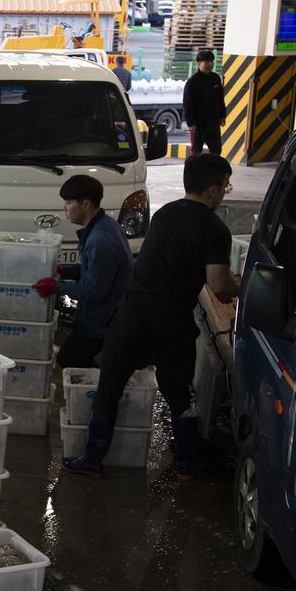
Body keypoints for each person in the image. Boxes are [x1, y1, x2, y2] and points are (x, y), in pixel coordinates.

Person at [62, 153, 241, 481]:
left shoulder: (164, 214)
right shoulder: (216, 229)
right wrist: (240, 286)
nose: (224, 193)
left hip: (130, 316)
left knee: (110, 387)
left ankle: (91, 458)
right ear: (214, 190)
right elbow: (218, 283)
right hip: (171, 321)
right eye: (225, 187)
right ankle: (188, 463)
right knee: (179, 395)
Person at [32, 175, 133, 370]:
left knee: (69, 360)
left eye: (69, 203)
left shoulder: (101, 241)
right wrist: (67, 271)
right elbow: (97, 271)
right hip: (104, 314)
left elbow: (94, 290)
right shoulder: (104, 225)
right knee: (80, 362)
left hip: (105, 319)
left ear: (85, 204)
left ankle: (93, 396)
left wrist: (55, 287)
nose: (64, 209)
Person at [183, 49, 226, 156]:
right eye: (206, 62)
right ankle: (195, 172)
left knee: (216, 150)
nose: (210, 64)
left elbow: (220, 99)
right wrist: (190, 123)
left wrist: (222, 116)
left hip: (214, 123)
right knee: (196, 152)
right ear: (199, 63)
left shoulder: (215, 78)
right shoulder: (192, 82)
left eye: (211, 62)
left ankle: (212, 171)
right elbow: (187, 104)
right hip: (198, 125)